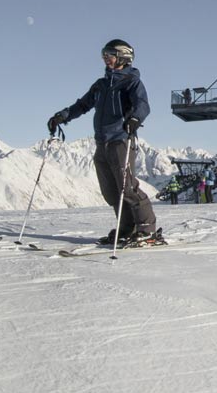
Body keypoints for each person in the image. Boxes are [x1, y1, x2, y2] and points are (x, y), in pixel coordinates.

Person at [47, 39, 159, 246]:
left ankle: (146, 229)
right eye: (104, 55)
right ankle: (126, 228)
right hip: (102, 142)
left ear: (123, 57)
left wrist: (135, 118)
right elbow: (82, 105)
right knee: (111, 191)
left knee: (128, 187)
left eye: (110, 55)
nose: (105, 59)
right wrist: (61, 116)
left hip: (120, 141)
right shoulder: (101, 85)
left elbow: (142, 105)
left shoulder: (131, 82)